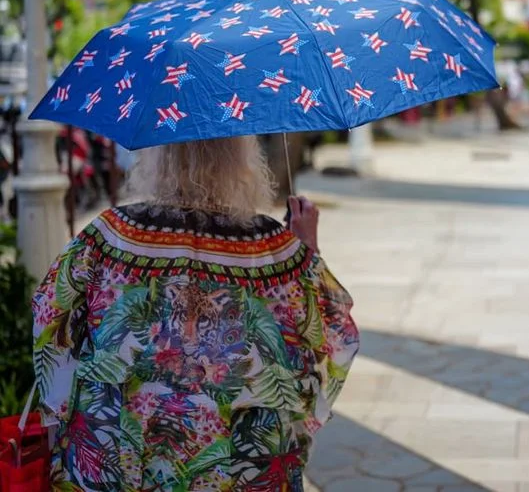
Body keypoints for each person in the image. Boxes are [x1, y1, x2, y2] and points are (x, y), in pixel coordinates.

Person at [32, 135, 359, 491]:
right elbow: (331, 333)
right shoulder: (273, 249)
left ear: (158, 156)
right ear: (242, 159)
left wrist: (61, 414)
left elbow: (50, 318)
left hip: (118, 456)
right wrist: (306, 247)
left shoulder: (108, 236)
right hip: (238, 465)